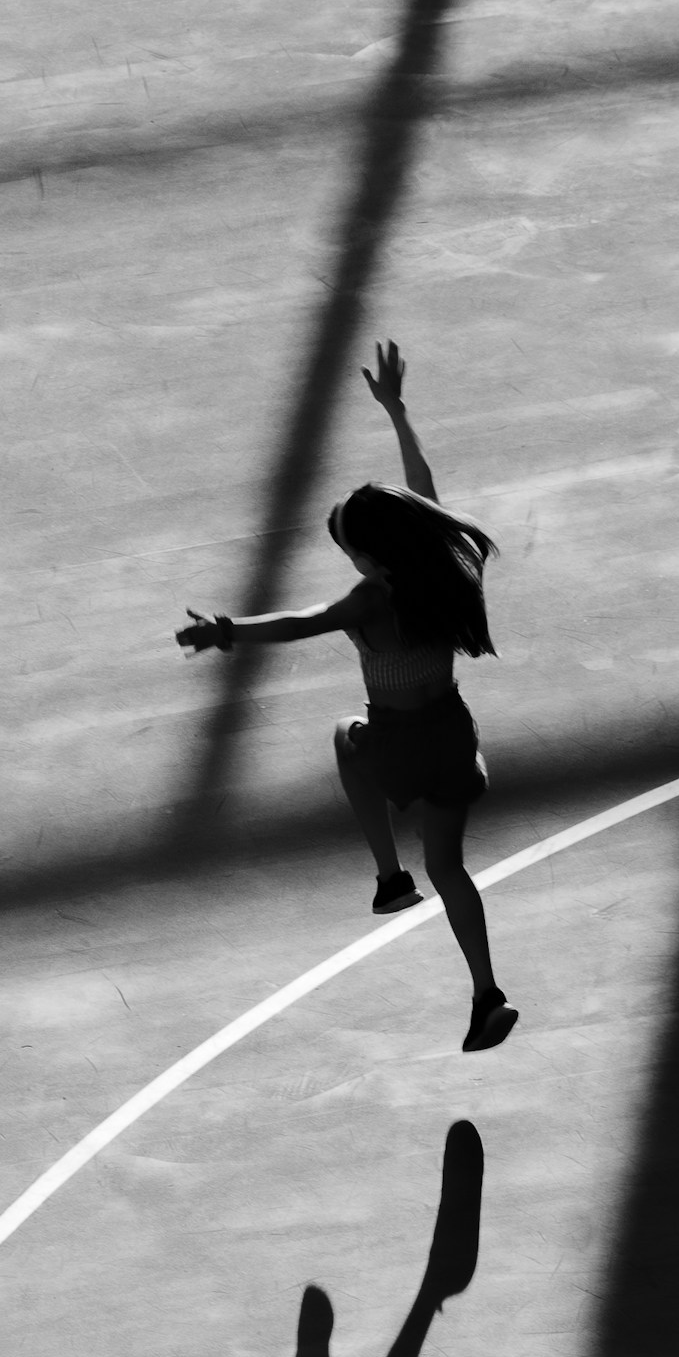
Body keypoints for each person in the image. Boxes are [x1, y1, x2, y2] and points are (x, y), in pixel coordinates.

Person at [176, 342, 515, 1052]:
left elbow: (301, 623)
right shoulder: (454, 564)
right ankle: (486, 993)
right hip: (452, 734)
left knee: (344, 736)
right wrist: (397, 412)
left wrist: (227, 631)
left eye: (351, 550)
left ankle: (389, 877)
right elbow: (424, 496)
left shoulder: (370, 600)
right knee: (451, 869)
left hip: (397, 741)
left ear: (371, 558)